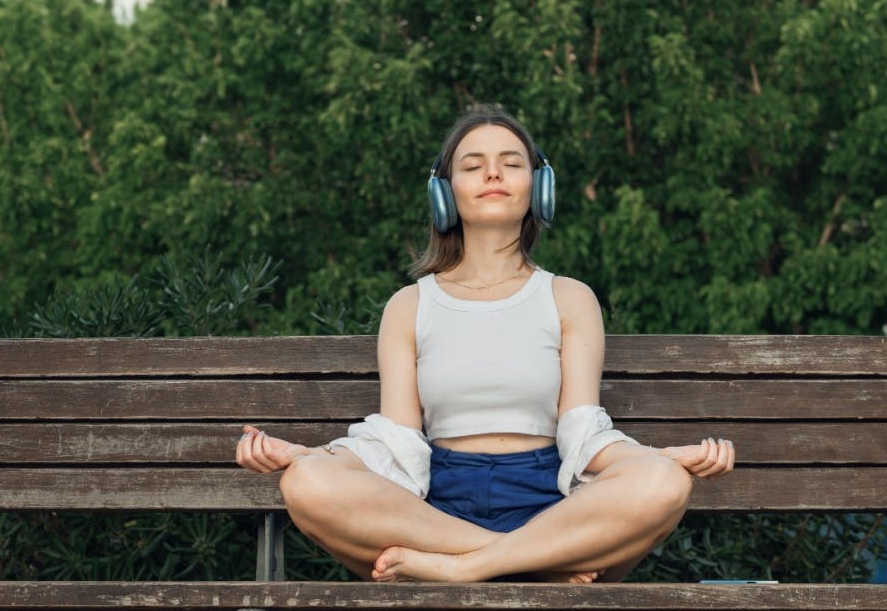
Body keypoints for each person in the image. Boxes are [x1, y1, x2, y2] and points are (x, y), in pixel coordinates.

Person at [235, 103, 735, 583]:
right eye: (473, 166)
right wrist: (316, 454)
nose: (493, 174)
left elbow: (584, 434)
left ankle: (464, 569)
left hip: (551, 501)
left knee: (665, 483)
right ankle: (536, 565)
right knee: (304, 482)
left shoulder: (569, 298)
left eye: (511, 163)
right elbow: (396, 442)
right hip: (435, 508)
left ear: (539, 187)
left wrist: (654, 457)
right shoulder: (409, 305)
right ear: (446, 192)